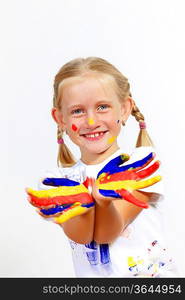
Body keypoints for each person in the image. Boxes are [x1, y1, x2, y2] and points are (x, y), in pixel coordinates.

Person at [27, 57, 178, 277]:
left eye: (102, 107)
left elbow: (106, 235)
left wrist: (103, 203)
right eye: (77, 111)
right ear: (60, 118)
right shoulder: (57, 181)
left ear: (125, 109)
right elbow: (82, 237)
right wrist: (84, 203)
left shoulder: (139, 166)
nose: (91, 121)